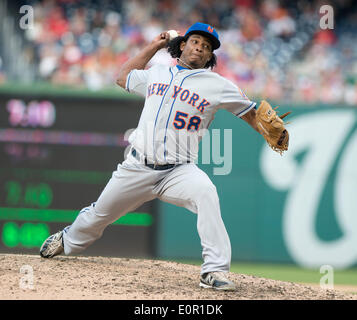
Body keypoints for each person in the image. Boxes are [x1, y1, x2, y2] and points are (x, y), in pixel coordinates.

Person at [40, 22, 261, 291]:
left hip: (178, 171)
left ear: (209, 57)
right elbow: (123, 77)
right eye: (195, 42)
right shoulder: (157, 73)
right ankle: (68, 239)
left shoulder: (217, 85)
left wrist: (269, 133)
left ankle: (214, 271)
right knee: (100, 214)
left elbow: (249, 111)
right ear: (183, 45)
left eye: (206, 47)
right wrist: (155, 45)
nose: (200, 48)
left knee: (206, 193)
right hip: (137, 166)